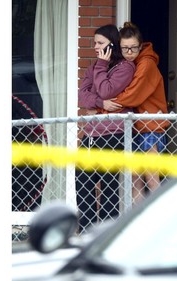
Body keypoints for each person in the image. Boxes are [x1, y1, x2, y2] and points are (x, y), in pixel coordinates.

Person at [99, 22, 170, 205]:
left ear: (141, 45)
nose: (129, 52)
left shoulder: (146, 64)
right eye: (125, 48)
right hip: (135, 128)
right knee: (135, 182)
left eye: (133, 48)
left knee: (152, 181)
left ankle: (160, 224)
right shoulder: (130, 64)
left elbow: (133, 95)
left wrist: (103, 107)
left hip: (150, 128)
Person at [76, 24, 136, 233]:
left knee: (109, 186)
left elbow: (106, 88)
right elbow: (82, 96)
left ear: (112, 44)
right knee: (83, 183)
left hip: (112, 134)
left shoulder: (125, 68)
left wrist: (102, 65)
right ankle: (86, 231)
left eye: (100, 43)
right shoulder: (94, 67)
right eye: (94, 43)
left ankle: (105, 234)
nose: (95, 47)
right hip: (90, 134)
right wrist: (101, 103)